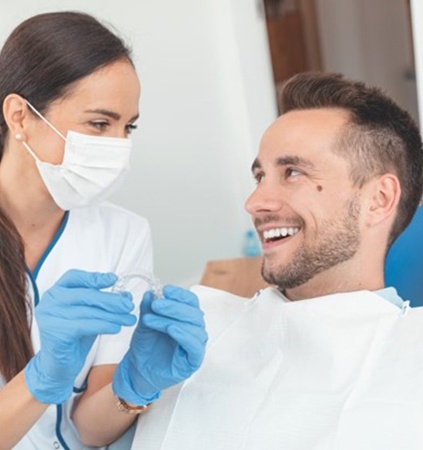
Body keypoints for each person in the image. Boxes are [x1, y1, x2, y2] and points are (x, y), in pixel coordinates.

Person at [132, 72, 423, 450]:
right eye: (260, 176)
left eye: (293, 173)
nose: (254, 204)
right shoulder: (200, 328)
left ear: (379, 199)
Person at [0, 11, 206, 449]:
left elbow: (90, 430)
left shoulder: (122, 234)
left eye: (127, 127)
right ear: (20, 116)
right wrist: (39, 380)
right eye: (98, 124)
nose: (117, 147)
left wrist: (133, 386)